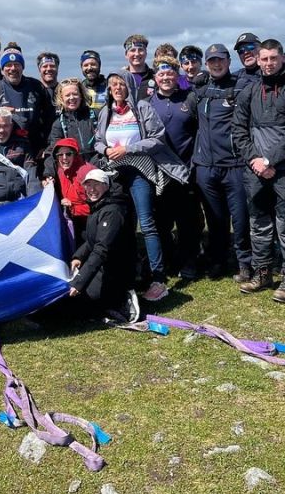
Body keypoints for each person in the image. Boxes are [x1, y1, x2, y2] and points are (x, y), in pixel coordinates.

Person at [231, 39, 285, 304]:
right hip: (254, 169)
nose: (268, 64)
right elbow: (239, 130)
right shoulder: (249, 92)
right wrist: (255, 159)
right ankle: (263, 273)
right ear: (258, 59)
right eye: (264, 59)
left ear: (282, 58)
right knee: (259, 224)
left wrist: (270, 162)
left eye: (273, 59)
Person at [95, 72, 189, 302]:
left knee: (147, 224)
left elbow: (157, 137)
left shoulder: (142, 108)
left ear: (129, 86)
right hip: (116, 174)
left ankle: (158, 278)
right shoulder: (106, 112)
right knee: (123, 225)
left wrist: (129, 149)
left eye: (121, 84)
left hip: (139, 172)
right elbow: (97, 140)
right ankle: (128, 275)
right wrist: (105, 150)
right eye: (112, 85)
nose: (117, 88)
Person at [192, 44, 252, 283]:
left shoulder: (241, 85)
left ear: (228, 61)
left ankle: (245, 264)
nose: (216, 64)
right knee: (215, 219)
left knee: (240, 218)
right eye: (212, 61)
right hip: (206, 166)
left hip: (235, 165)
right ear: (206, 64)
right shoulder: (201, 89)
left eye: (220, 60)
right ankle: (218, 260)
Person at [144, 55, 202, 279]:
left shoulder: (189, 98)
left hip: (186, 169)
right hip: (159, 172)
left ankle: (189, 261)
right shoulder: (148, 104)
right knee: (162, 222)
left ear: (177, 76)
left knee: (188, 220)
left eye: (170, 74)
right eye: (161, 74)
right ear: (155, 78)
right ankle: (169, 259)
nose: (166, 77)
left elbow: (200, 131)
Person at [68, 169, 141, 323]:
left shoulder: (112, 211)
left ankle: (122, 300)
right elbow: (91, 240)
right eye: (88, 185)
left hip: (116, 270)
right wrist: (78, 256)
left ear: (106, 186)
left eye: (97, 185)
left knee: (81, 302)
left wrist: (79, 282)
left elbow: (102, 249)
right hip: (103, 268)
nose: (92, 189)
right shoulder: (98, 207)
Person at [0, 45, 53, 158]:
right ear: (2, 69)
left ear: (22, 67)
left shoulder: (36, 86)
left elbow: (49, 118)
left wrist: (47, 146)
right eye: (8, 65)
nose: (13, 68)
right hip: (10, 152)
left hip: (37, 149)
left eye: (17, 65)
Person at [43, 78, 98, 177]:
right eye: (67, 95)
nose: (72, 98)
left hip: (98, 168)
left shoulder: (95, 115)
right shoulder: (59, 124)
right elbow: (53, 150)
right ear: (61, 98)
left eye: (75, 94)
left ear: (81, 95)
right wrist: (48, 174)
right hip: (74, 171)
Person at [47, 137, 92, 242]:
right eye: (60, 155)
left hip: (88, 221)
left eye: (68, 154)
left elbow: (96, 207)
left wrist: (72, 208)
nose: (64, 158)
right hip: (71, 217)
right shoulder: (60, 169)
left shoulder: (86, 173)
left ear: (75, 155)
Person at [120, 34, 155, 102]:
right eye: (132, 50)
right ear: (126, 55)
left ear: (146, 53)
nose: (137, 54)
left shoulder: (156, 76)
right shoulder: (120, 78)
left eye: (140, 50)